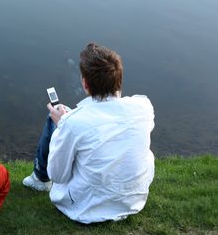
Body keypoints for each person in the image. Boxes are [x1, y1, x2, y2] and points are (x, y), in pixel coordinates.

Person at [22, 43, 155, 224]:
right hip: (132, 201)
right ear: (119, 79)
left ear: (85, 83)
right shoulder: (143, 107)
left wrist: (62, 126)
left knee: (56, 117)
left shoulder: (74, 122)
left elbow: (58, 175)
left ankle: (39, 179)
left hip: (85, 208)